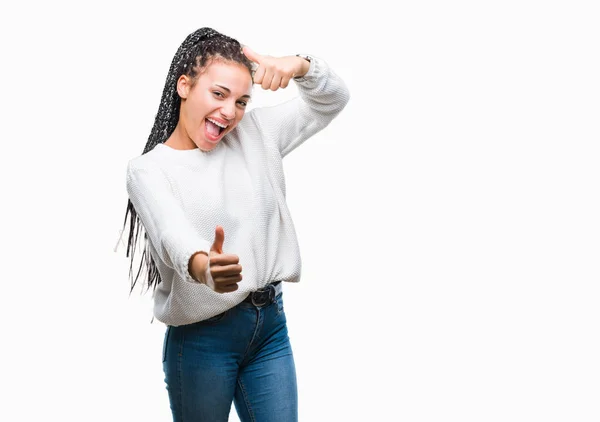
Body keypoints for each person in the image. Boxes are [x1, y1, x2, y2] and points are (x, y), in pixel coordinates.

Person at [121, 27, 349, 421]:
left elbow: (331, 100)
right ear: (184, 86)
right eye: (219, 94)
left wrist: (300, 66)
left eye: (242, 100)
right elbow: (170, 232)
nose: (230, 112)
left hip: (270, 328)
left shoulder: (256, 133)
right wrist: (202, 266)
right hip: (202, 340)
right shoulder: (149, 171)